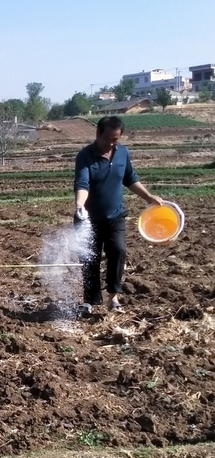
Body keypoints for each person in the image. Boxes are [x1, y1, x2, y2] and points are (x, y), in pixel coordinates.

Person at [74, 116, 163, 316]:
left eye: (116, 139)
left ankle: (113, 296)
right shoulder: (85, 156)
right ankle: (89, 300)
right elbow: (82, 184)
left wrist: (149, 197)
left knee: (118, 250)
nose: (112, 144)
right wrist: (80, 205)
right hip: (89, 218)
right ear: (98, 134)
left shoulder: (122, 153)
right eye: (109, 139)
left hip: (115, 215)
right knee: (90, 258)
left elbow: (130, 179)